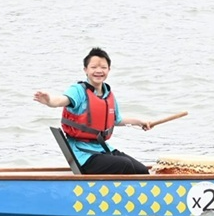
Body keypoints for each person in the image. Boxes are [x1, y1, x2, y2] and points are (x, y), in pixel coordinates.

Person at [34, 47, 152, 175]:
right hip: (83, 155)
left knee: (142, 170)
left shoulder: (108, 93)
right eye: (94, 67)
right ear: (85, 70)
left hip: (102, 149)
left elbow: (118, 120)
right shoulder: (78, 90)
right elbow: (61, 100)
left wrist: (140, 122)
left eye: (103, 67)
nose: (99, 71)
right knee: (125, 165)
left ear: (109, 70)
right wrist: (49, 101)